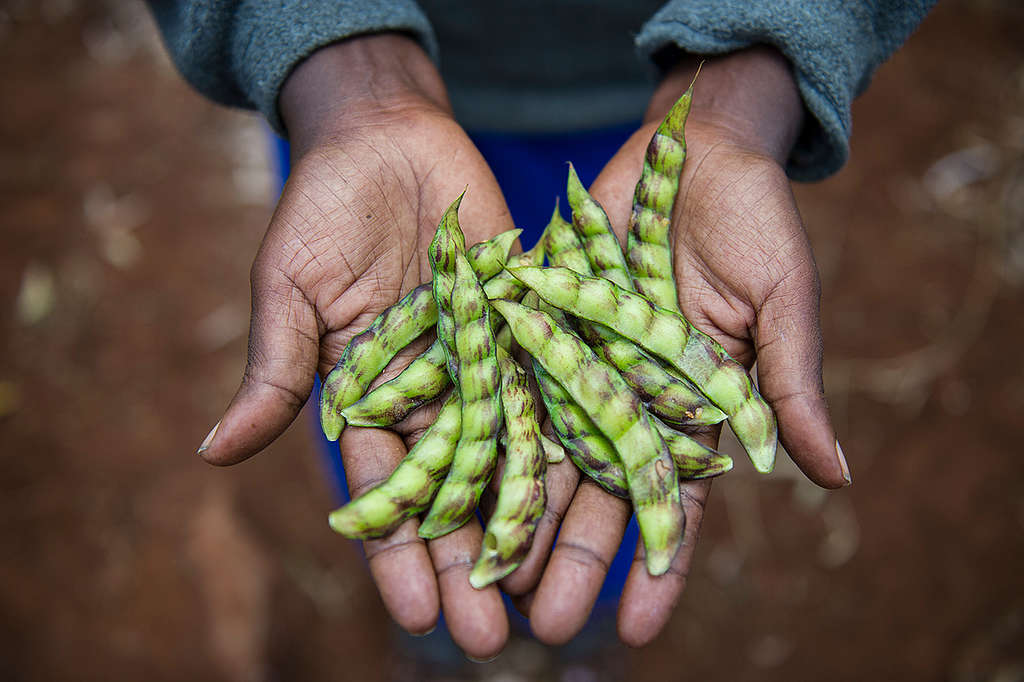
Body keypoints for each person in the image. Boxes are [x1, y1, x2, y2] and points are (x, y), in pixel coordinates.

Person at [150, 0, 935, 660]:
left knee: (610, 490)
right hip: (349, 98)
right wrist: (337, 57)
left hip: (647, 88)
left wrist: (756, 63)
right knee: (380, 409)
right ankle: (440, 649)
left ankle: (581, 638)